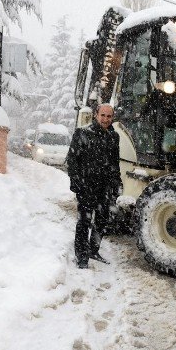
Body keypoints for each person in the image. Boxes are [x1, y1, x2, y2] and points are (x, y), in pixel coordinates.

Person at [66, 103, 122, 268]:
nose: (105, 119)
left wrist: (116, 183)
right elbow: (72, 160)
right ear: (96, 115)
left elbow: (114, 163)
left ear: (112, 118)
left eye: (109, 116)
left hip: (105, 187)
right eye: (102, 115)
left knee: (102, 219)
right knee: (84, 221)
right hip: (86, 185)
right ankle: (81, 256)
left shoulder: (114, 137)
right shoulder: (82, 133)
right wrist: (76, 182)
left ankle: (93, 250)